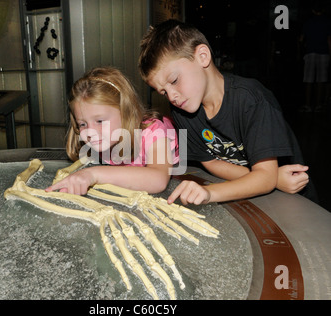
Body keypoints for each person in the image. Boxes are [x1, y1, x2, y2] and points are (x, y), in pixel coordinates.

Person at [138, 19, 317, 205]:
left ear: (202, 56)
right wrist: (273, 178)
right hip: (257, 190)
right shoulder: (181, 111)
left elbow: (265, 176)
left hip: (295, 199)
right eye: (163, 92)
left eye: (174, 80)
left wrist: (210, 193)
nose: (172, 96)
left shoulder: (251, 100)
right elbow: (211, 162)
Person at [45, 66, 179, 195]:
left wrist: (93, 174)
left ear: (126, 112)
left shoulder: (154, 132)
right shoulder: (105, 139)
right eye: (83, 124)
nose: (90, 132)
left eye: (100, 121)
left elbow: (158, 180)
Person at [299, 2, 331, 112]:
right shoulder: (327, 22)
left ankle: (308, 105)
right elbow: (329, 40)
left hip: (310, 53)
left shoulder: (308, 22)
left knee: (308, 79)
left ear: (312, 10)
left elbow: (301, 39)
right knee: (321, 80)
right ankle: (318, 105)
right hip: (324, 53)